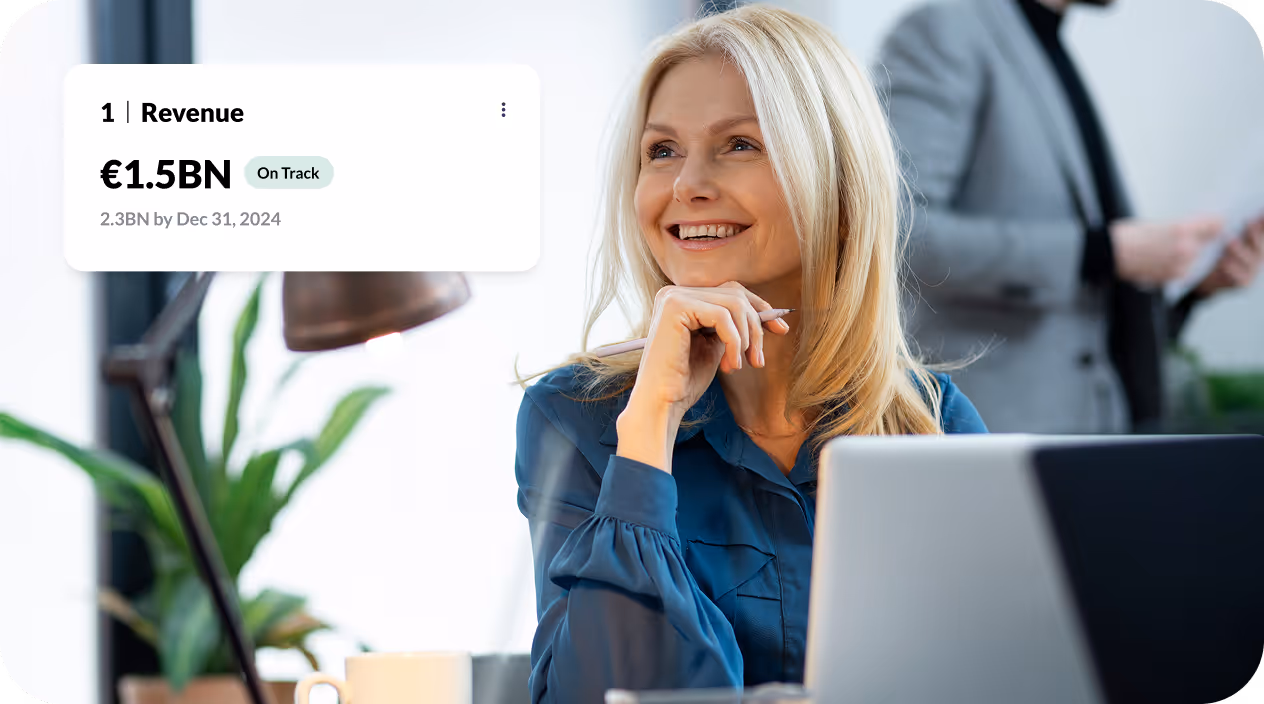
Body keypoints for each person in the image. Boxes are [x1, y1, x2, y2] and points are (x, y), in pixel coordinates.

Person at [513, 5, 987, 702]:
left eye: (740, 144)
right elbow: (594, 692)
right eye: (662, 150)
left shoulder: (931, 421)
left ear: (833, 176)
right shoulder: (571, 416)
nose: (686, 187)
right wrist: (647, 434)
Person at [876, 0, 1264, 433]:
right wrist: (1100, 253)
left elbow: (1090, 309)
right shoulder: (944, 33)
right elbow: (898, 232)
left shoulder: (1049, 48)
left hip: (1097, 433)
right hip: (993, 439)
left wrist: (1194, 284)